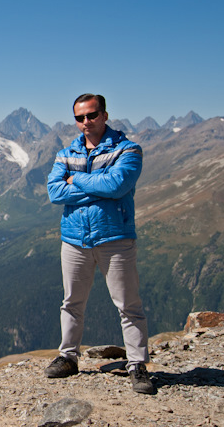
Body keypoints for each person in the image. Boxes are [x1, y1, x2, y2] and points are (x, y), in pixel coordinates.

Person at [44, 93, 156, 395]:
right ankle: (68, 357)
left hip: (114, 239)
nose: (85, 123)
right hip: (75, 240)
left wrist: (75, 180)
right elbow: (55, 192)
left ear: (105, 115)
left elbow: (117, 185)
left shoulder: (128, 150)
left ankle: (137, 364)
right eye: (80, 118)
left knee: (129, 305)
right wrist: (100, 187)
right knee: (71, 302)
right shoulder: (66, 152)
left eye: (91, 116)